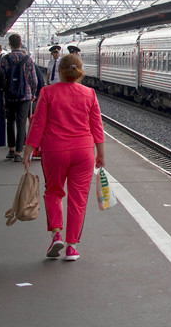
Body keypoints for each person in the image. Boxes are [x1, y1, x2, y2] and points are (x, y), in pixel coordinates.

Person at [23, 53, 105, 262]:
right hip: (83, 151)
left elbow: (38, 124)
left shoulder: (48, 92)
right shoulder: (89, 93)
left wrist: (28, 150)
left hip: (54, 151)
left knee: (53, 192)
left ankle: (56, 234)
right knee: (78, 199)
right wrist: (101, 154)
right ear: (80, 72)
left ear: (59, 71)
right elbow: (97, 126)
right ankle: (71, 247)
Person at [0, 34, 38, 163]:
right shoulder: (27, 59)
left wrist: (3, 94)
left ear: (9, 45)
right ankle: (18, 152)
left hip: (9, 95)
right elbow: (33, 79)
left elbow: (1, 79)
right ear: (21, 43)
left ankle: (10, 149)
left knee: (10, 122)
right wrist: (32, 93)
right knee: (22, 123)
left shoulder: (4, 59)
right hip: (24, 96)